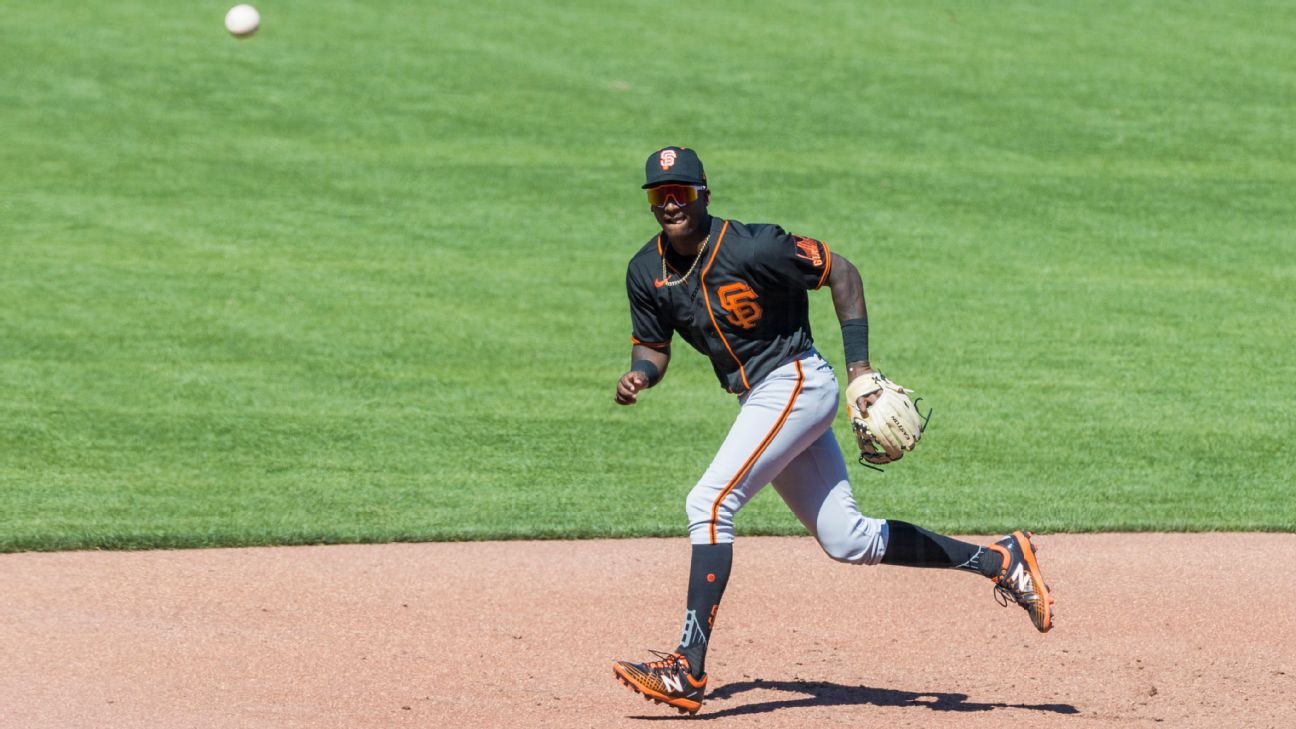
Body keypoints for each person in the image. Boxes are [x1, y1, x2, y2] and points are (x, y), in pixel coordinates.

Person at [610, 147, 1055, 716]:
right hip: (762, 398)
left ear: (704, 195)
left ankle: (687, 668)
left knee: (709, 502)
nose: (672, 203)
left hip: (797, 380)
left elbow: (841, 271)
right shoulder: (645, 271)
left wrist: (860, 370)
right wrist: (640, 376)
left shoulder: (755, 245)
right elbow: (653, 346)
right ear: (651, 204)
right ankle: (1001, 560)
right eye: (659, 195)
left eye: (682, 192)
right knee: (848, 539)